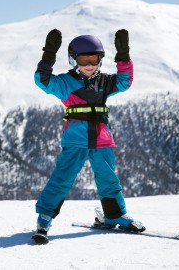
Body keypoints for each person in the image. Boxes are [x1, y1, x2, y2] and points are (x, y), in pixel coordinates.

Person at [33, 28, 144, 242]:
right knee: (63, 178)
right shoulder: (65, 83)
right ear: (74, 60)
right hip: (76, 139)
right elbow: (42, 80)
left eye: (94, 60)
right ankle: (45, 217)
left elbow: (124, 81)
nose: (89, 65)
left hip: (102, 139)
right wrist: (48, 55)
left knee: (108, 177)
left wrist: (123, 56)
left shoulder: (104, 82)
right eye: (84, 60)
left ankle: (114, 215)